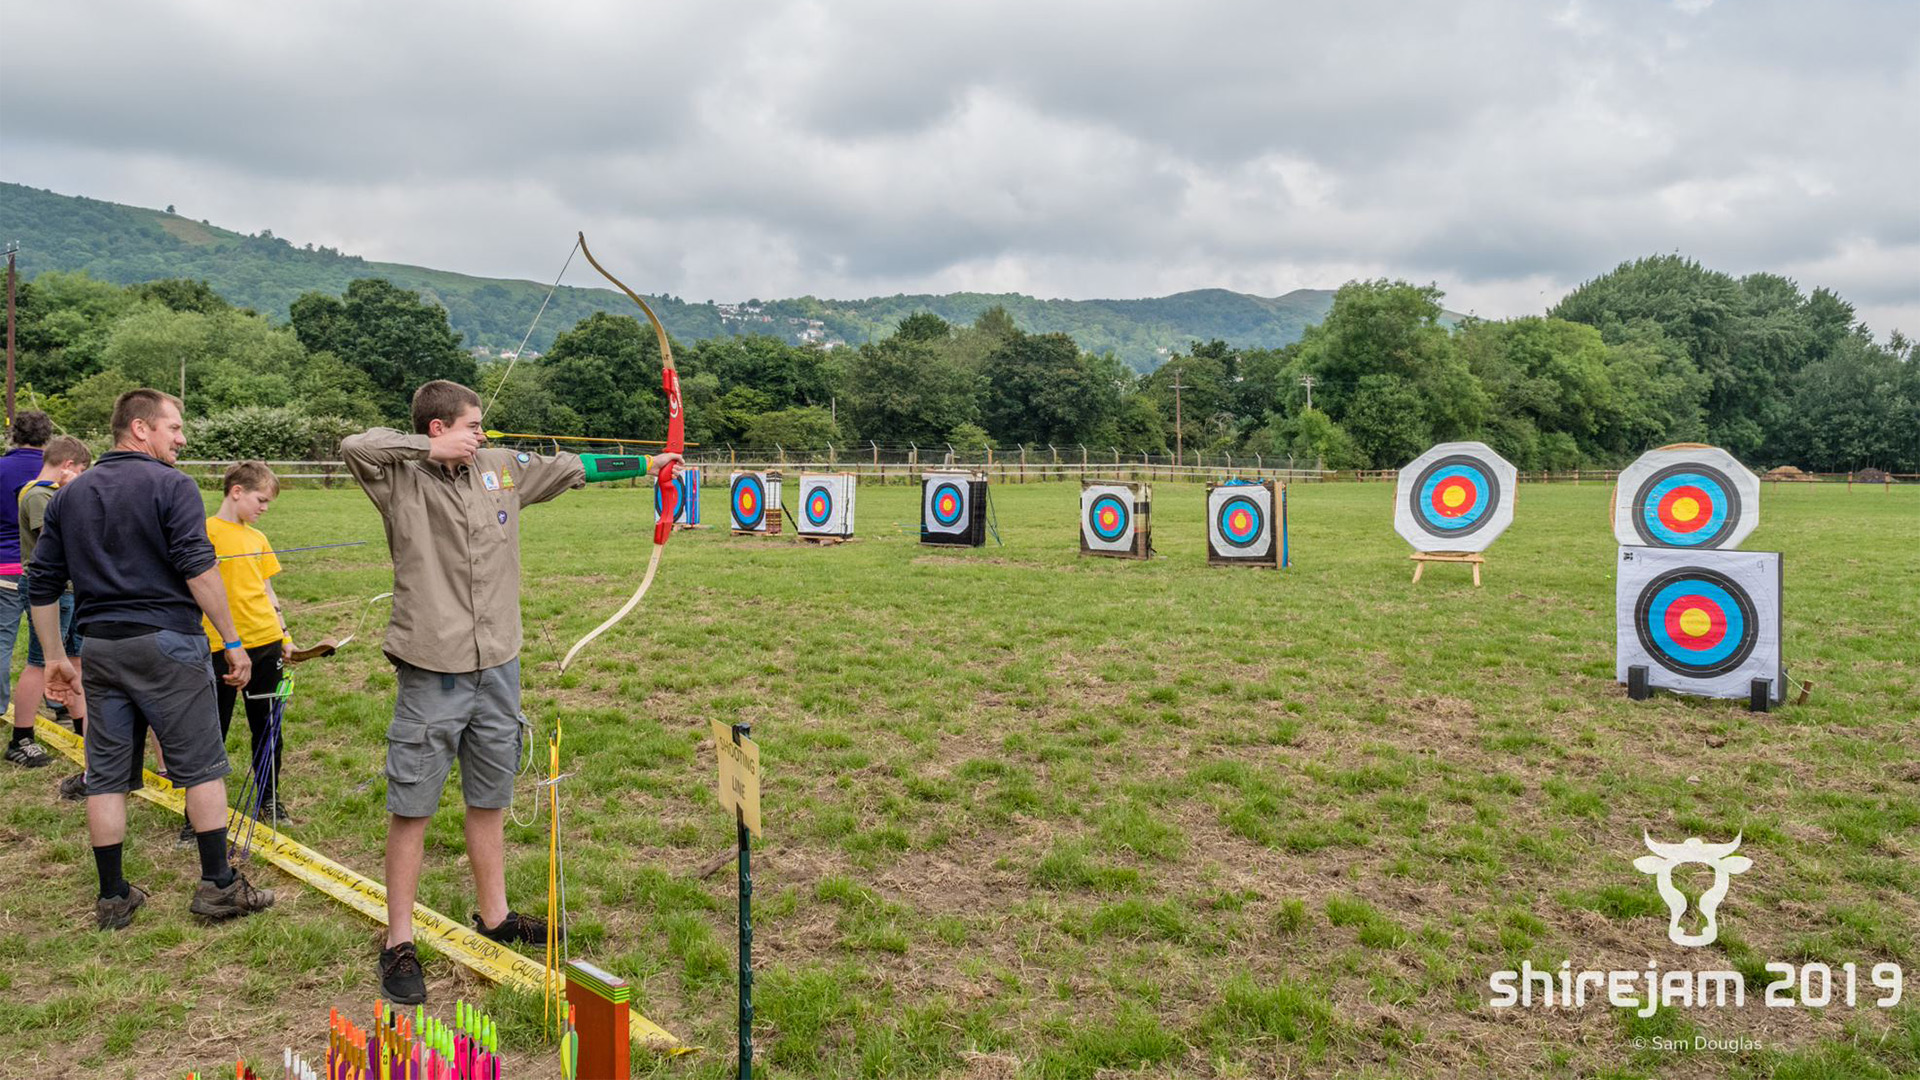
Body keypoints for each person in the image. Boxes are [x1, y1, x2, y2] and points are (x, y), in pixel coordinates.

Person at [341, 380, 679, 1005]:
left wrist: (651, 462)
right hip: (432, 665)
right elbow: (355, 444)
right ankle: (398, 941)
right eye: (472, 427)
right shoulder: (399, 478)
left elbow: (574, 466)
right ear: (438, 429)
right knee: (413, 804)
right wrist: (428, 450)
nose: (483, 437)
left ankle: (493, 917)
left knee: (490, 794)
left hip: (499, 663)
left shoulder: (500, 469)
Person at [28, 389, 276, 930]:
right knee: (204, 767)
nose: (182, 438)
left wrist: (54, 657)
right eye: (175, 427)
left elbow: (41, 582)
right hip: (168, 642)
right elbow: (197, 566)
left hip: (100, 648)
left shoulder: (69, 495)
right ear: (140, 429)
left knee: (107, 775)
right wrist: (232, 641)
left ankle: (113, 897)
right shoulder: (173, 484)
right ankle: (218, 885)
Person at [195, 461, 296, 836]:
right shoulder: (203, 532)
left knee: (268, 725)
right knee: (211, 730)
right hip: (218, 647)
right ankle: (201, 813)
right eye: (261, 499)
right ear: (236, 491)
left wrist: (285, 636)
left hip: (265, 643)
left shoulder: (258, 539)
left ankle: (268, 796)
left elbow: (268, 591)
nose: (264, 508)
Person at [16, 435, 92, 799]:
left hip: (75, 591)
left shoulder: (54, 493)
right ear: (68, 467)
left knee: (75, 661)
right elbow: (57, 540)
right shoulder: (39, 495)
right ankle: (22, 737)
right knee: (40, 662)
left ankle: (82, 730)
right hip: (51, 594)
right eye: (81, 471)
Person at [2, 409, 56, 763]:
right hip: (44, 572)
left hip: (5, 568)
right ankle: (58, 701)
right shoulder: (55, 471)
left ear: (13, 434)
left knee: (3, 645)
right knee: (52, 647)